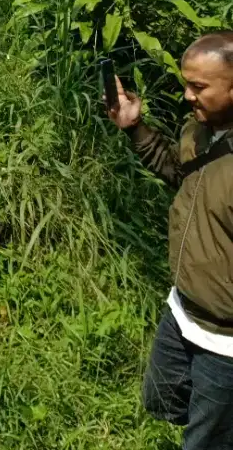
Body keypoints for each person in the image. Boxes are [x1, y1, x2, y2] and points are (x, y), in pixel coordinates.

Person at [106, 32, 233, 449]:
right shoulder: (198, 132)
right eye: (186, 83)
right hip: (182, 309)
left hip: (225, 339)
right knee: (161, 400)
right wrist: (135, 128)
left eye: (199, 87)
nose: (186, 96)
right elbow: (182, 176)